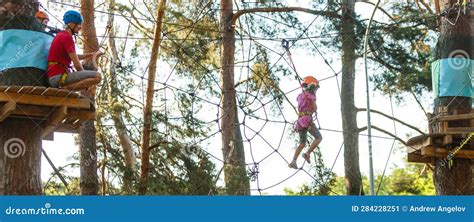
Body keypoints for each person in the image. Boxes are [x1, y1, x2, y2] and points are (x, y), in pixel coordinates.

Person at [47, 10, 102, 97]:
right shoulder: (67, 38)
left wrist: (92, 54)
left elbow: (75, 56)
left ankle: (67, 88)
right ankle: (67, 89)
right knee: (97, 77)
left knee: (86, 82)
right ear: (72, 24)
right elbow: (77, 64)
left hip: (55, 77)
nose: (80, 27)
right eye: (79, 24)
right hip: (58, 77)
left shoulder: (61, 35)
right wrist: (85, 78)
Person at [288, 76, 323, 169]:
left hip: (300, 121)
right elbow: (315, 108)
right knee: (318, 137)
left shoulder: (300, 96)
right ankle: (307, 153)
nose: (316, 91)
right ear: (312, 87)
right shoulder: (310, 96)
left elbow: (301, 102)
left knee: (302, 143)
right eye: (315, 88)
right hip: (307, 120)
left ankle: (293, 161)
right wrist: (313, 100)